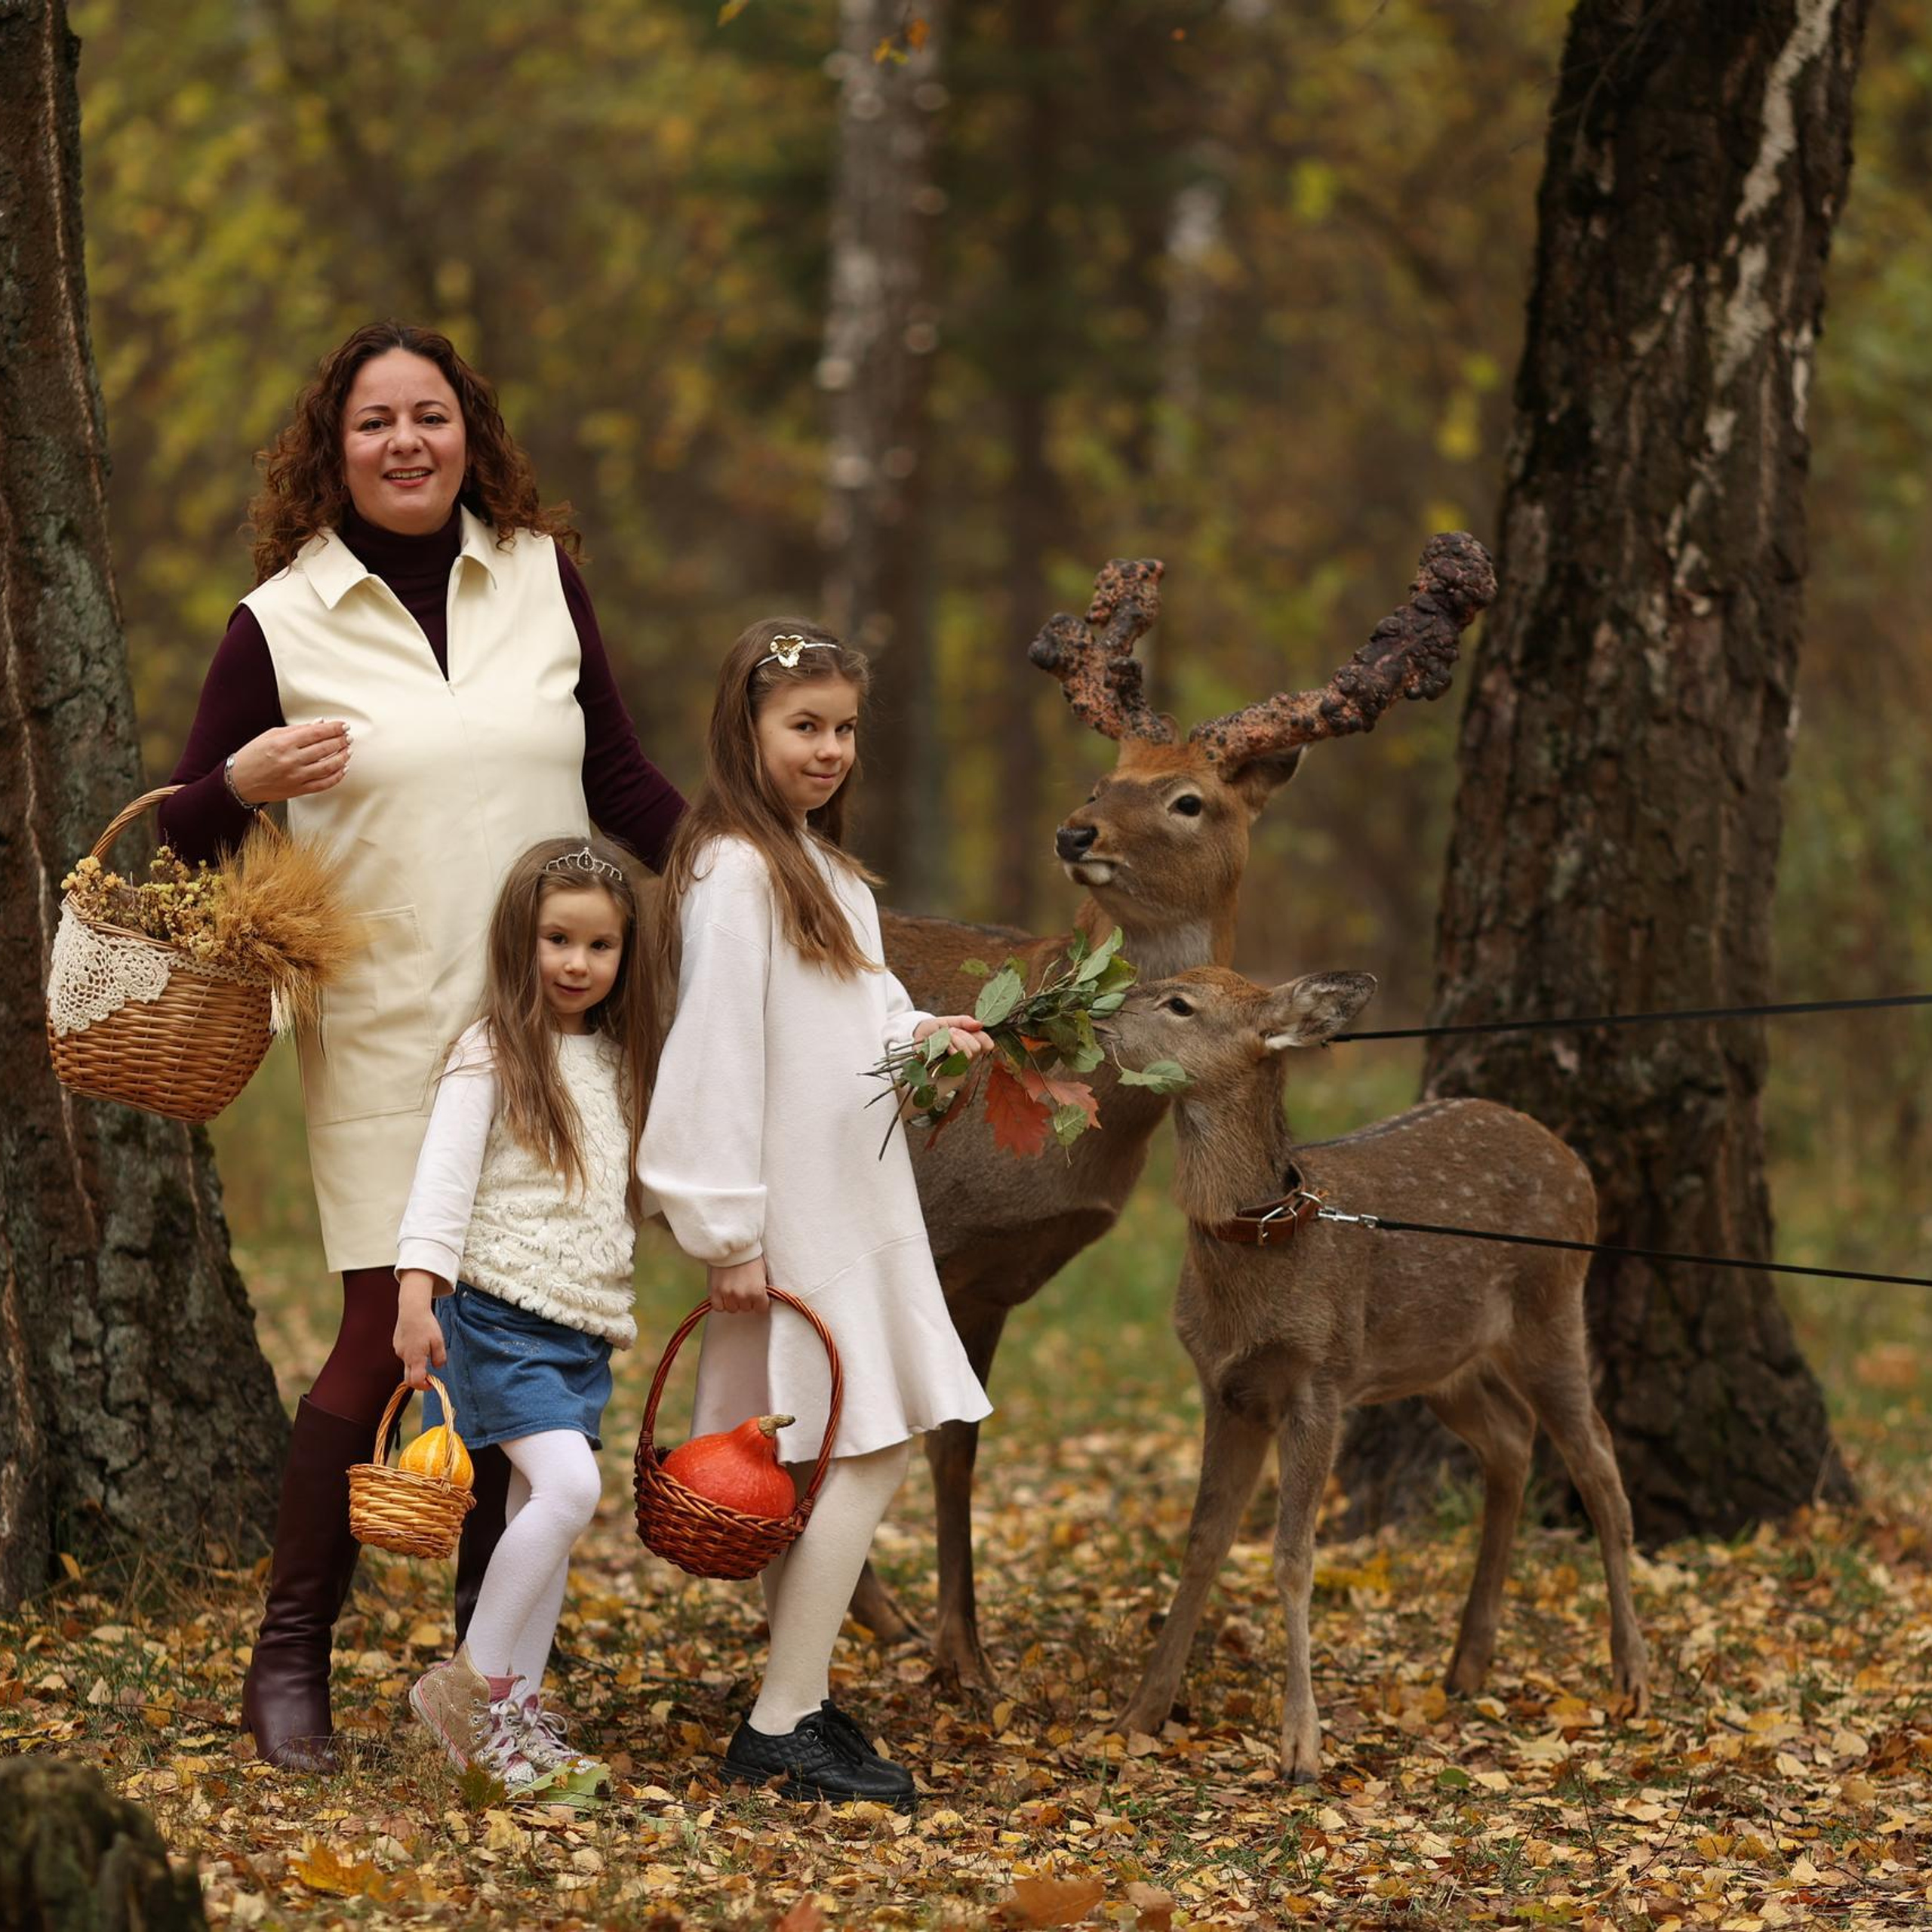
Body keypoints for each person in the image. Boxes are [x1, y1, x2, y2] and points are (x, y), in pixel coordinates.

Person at [157, 322, 684, 1771]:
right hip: (389, 1039)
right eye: (375, 421)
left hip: (554, 1037)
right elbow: (187, 836)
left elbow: (620, 776)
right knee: (371, 1347)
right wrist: (239, 778)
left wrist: (754, 871)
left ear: (471, 434)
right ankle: (288, 1660)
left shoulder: (539, 578)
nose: (406, 442)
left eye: (431, 415)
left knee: (535, 1337)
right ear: (333, 451)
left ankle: (486, 1676)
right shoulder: (281, 621)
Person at [640, 618, 994, 1810]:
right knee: (867, 1446)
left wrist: (925, 1035)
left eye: (844, 728)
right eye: (804, 726)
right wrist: (727, 1231)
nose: (831, 749)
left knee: (814, 1458)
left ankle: (795, 1701)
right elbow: (713, 1054)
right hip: (791, 1212)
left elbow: (863, 1012)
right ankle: (782, 1722)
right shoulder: (733, 872)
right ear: (744, 729)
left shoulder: (826, 872)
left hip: (854, 1194)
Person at [394, 835, 654, 1805]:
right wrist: (415, 1295)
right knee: (570, 1490)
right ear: (521, 939)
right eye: (558, 939)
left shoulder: (620, 1062)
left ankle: (514, 1721)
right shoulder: (492, 1050)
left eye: (600, 945)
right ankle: (467, 1686)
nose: (578, 963)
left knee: (536, 1515)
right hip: (498, 1312)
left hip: (582, 1329)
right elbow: (442, 1185)